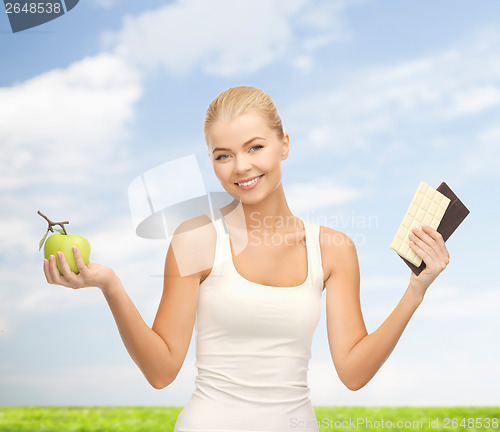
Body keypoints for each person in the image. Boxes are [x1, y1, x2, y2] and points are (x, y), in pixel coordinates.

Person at [43, 86, 450, 431]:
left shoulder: (334, 249)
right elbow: (161, 371)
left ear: (284, 144)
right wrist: (110, 284)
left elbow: (354, 372)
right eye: (223, 155)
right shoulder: (195, 240)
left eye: (255, 147)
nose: (241, 166)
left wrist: (416, 290)